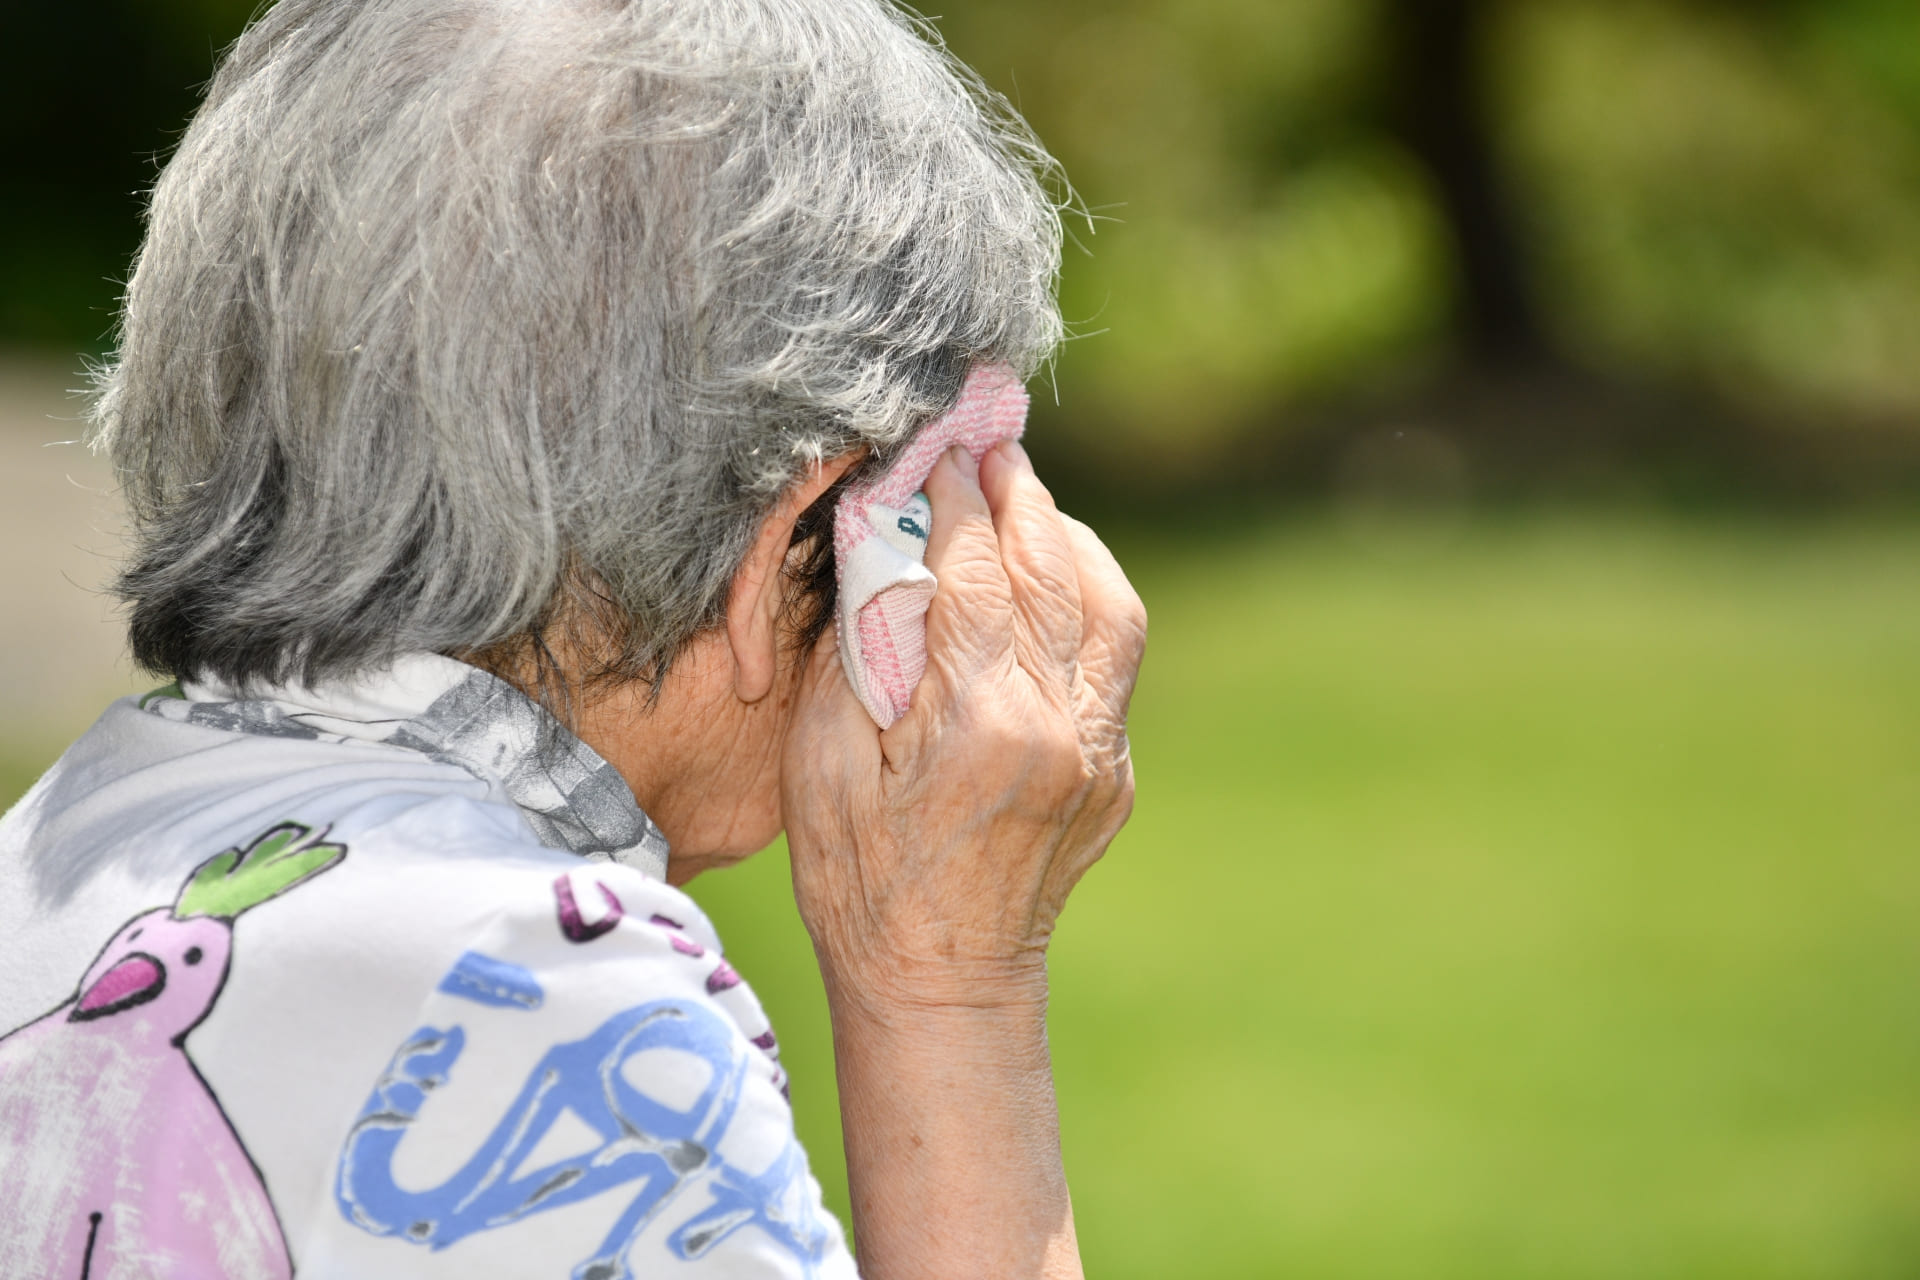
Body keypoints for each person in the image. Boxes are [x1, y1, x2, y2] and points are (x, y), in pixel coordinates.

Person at [0, 0, 1145, 1278]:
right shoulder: (541, 995)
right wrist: (951, 988)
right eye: (933, 496)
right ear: (802, 538)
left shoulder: (56, 855)